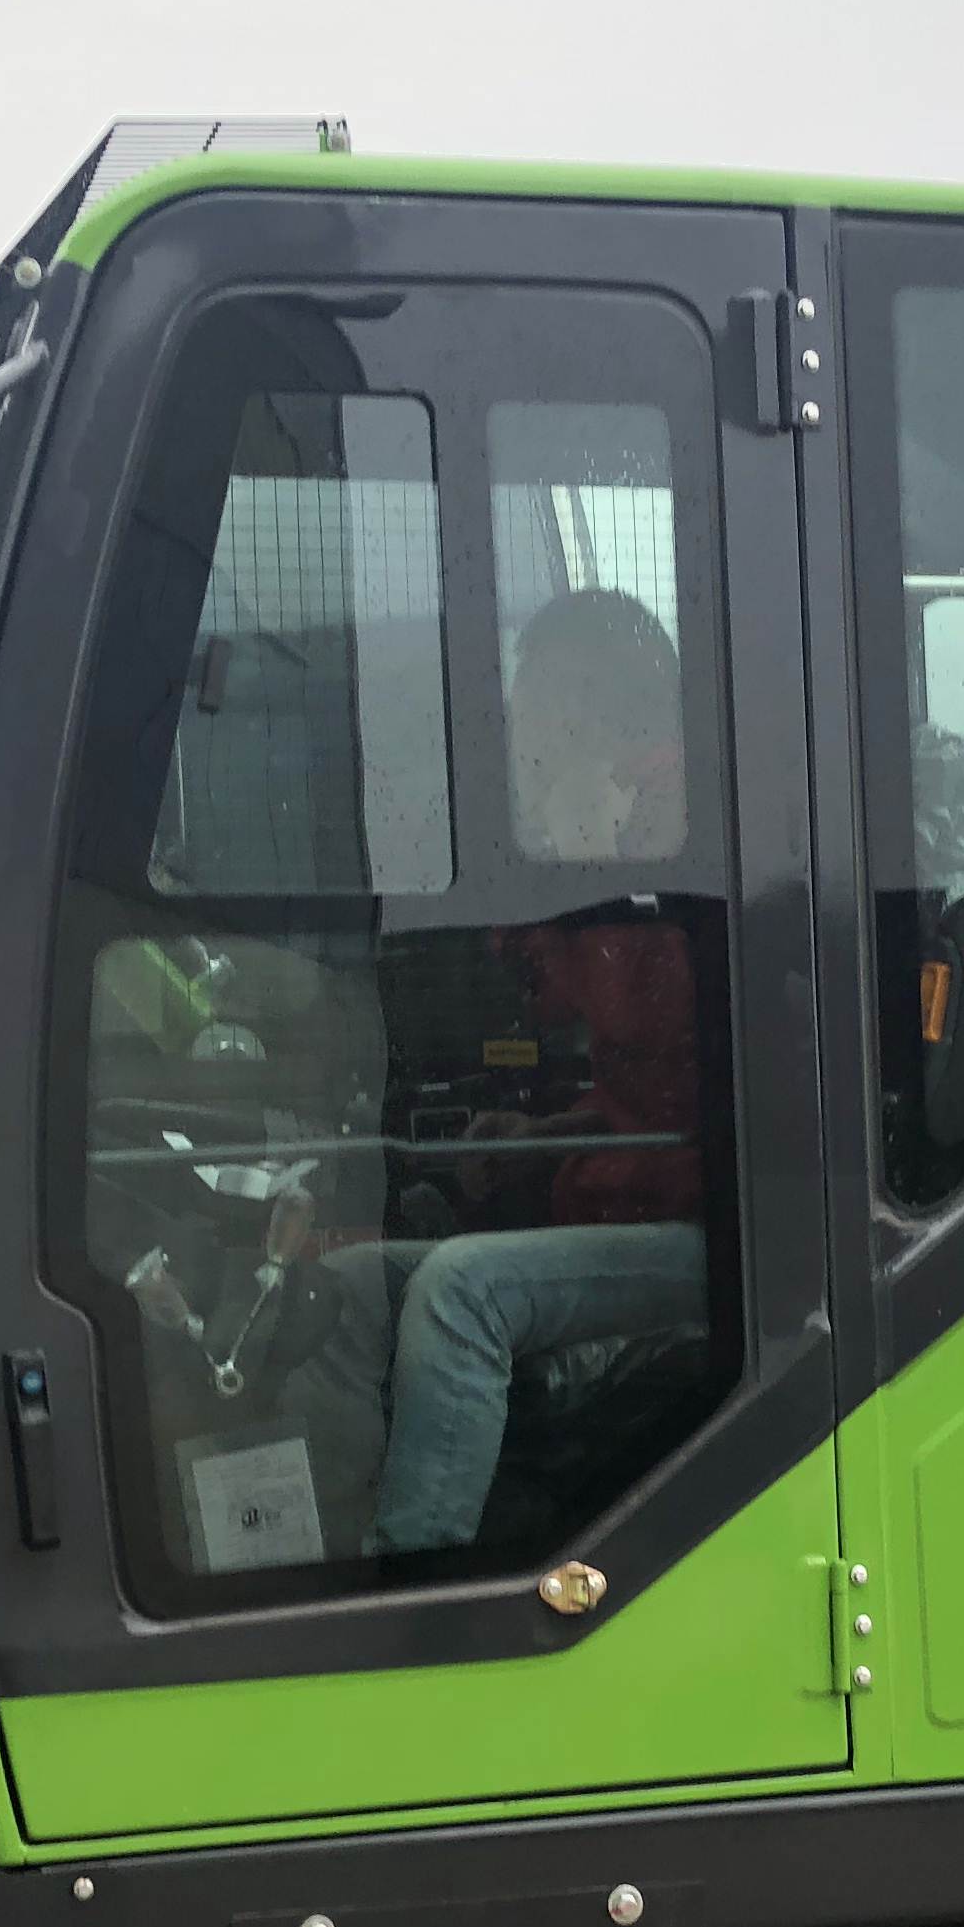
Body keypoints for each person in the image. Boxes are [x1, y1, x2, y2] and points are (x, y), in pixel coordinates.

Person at [299, 589, 714, 1555]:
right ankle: (337, 1554)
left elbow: (701, 1048)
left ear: (594, 703)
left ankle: (416, 1601)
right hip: (651, 1184)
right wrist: (548, 1136)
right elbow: (657, 1083)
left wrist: (585, 861)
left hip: (740, 1232)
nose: (519, 719)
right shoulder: (612, 818)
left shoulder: (667, 815)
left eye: (537, 694)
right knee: (347, 1286)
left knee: (461, 1293)